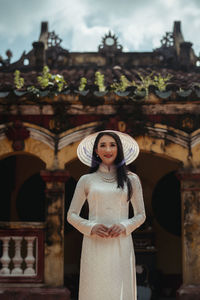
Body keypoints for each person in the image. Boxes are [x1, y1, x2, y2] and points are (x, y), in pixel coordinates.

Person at [67, 130, 146, 300]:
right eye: (102, 145)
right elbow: (71, 215)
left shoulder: (131, 179)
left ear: (119, 149)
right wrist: (91, 227)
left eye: (112, 145)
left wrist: (124, 226)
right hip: (94, 243)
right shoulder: (86, 180)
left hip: (121, 243)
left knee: (120, 289)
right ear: (96, 150)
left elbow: (141, 215)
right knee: (95, 289)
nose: (107, 149)